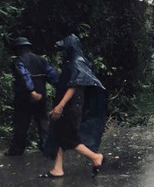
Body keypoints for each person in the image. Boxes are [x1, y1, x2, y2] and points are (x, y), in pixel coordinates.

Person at [40, 34, 107, 178]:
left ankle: (95, 157)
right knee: (59, 133)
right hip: (71, 106)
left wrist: (61, 105)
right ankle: (58, 168)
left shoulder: (77, 62)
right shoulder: (74, 61)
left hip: (71, 107)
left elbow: (75, 85)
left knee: (68, 138)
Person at [6, 37, 59, 156]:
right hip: (41, 96)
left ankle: (17, 150)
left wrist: (31, 91)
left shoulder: (19, 61)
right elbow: (52, 75)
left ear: (18, 49)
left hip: (24, 98)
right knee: (43, 121)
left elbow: (24, 76)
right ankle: (46, 146)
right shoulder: (41, 60)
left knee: (21, 123)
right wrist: (59, 87)